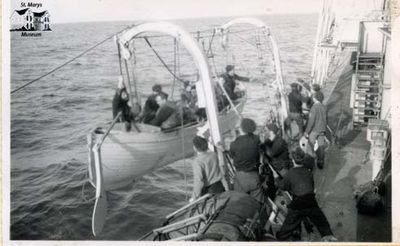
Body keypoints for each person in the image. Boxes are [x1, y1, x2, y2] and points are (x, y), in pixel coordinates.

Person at [276, 147, 336, 241]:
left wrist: (276, 178)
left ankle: (280, 238)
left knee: (287, 226)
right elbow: (311, 187)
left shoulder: (290, 173)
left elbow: (282, 186)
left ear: (293, 160)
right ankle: (329, 237)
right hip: (311, 201)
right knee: (322, 223)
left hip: (298, 204)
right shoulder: (308, 172)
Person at [229, 118, 263, 202]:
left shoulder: (234, 144)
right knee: (259, 203)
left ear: (241, 128)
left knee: (242, 203)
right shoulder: (256, 139)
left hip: (241, 178)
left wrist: (234, 137)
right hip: (254, 175)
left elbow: (231, 155)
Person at [190, 136, 225, 202]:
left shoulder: (197, 162)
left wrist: (194, 197)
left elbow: (199, 181)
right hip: (220, 186)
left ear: (195, 148)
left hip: (209, 192)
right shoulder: (213, 154)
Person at [304, 91, 327, 169]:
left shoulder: (314, 108)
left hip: (315, 130)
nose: (313, 98)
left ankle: (310, 165)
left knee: (310, 146)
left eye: (314, 97)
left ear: (315, 98)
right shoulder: (324, 107)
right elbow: (326, 119)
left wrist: (306, 132)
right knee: (321, 147)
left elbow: (311, 122)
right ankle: (321, 163)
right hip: (322, 130)